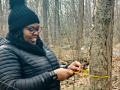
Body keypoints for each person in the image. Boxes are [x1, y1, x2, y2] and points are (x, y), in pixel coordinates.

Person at [0, 0, 82, 90]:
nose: (36, 33)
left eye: (38, 28)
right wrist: (52, 76)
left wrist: (67, 68)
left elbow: (48, 69)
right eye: (31, 29)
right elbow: (9, 86)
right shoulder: (6, 51)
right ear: (17, 30)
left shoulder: (40, 46)